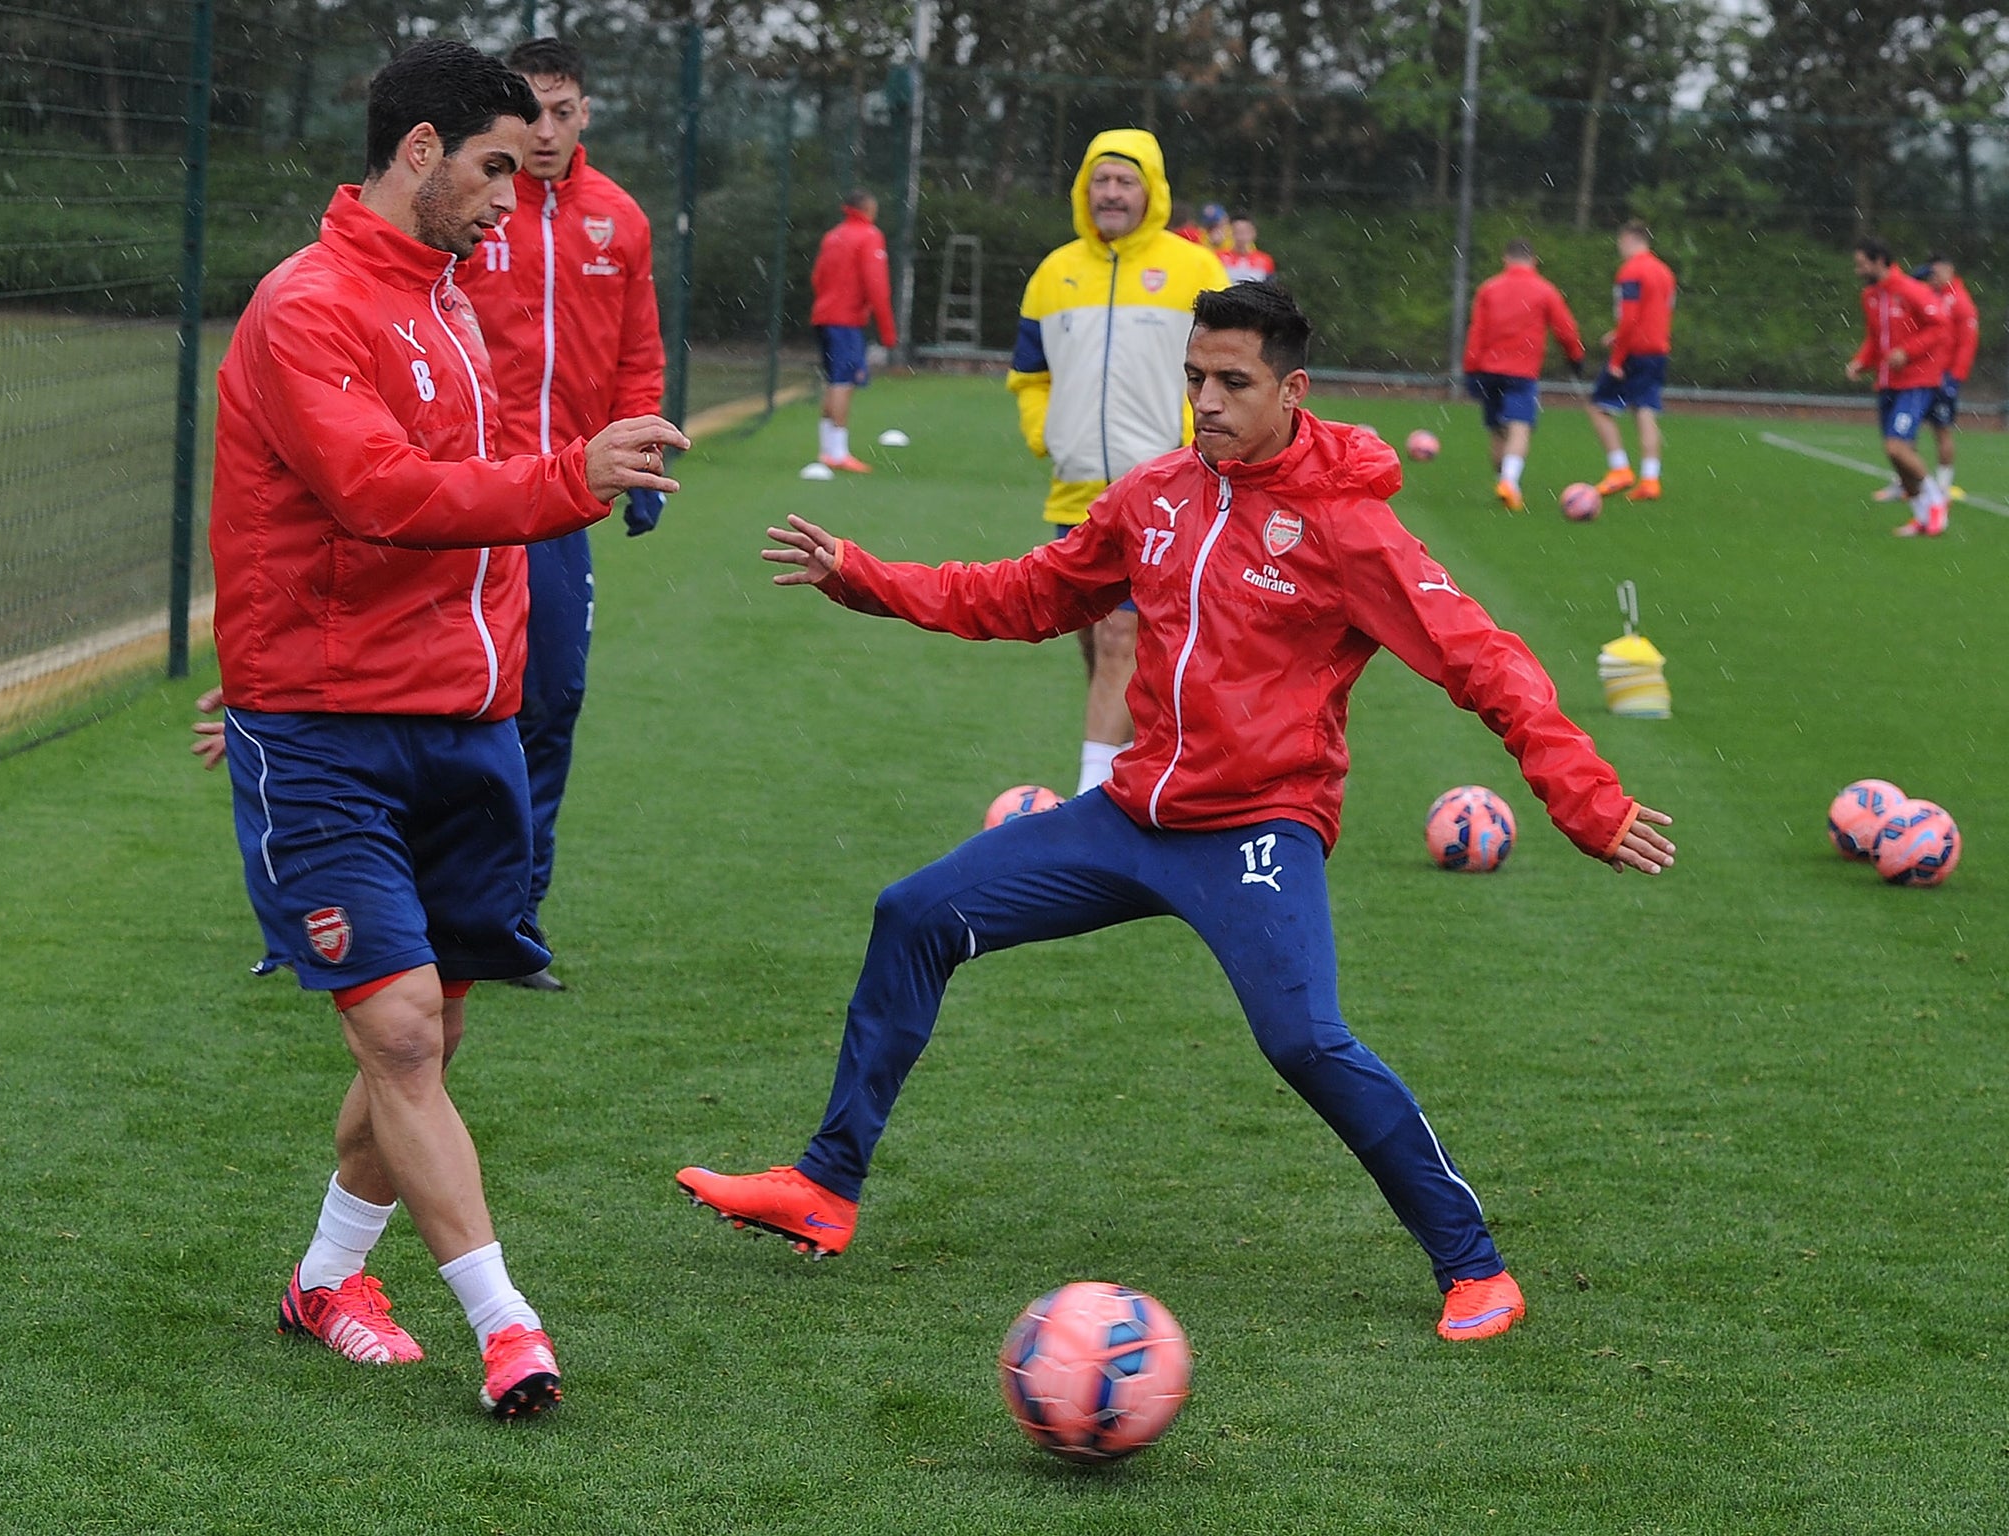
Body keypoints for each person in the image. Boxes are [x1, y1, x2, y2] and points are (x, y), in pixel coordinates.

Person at [676, 282, 1676, 1343]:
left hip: (1256, 829)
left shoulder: (1349, 530)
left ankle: (1472, 1266)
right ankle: (824, 1186)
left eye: (1230, 381)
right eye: (1194, 376)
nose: (1203, 400)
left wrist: (1585, 798)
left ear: (1291, 391)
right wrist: (864, 577)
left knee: (1302, 1040)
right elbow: (1024, 594)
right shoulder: (1154, 494)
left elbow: (1485, 662)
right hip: (1127, 815)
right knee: (914, 913)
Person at [192, 40, 685, 1416]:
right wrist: (569, 478)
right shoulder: (306, 308)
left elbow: (408, 515)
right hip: (335, 730)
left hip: (467, 725)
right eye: (491, 174)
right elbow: (379, 494)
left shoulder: (449, 300)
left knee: (429, 1037)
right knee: (401, 1031)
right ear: (420, 148)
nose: (507, 210)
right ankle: (507, 1325)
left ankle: (326, 1278)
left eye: (526, 184)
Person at [455, 36, 667, 993]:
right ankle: (372, 901)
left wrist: (641, 453)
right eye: (529, 111)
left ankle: (512, 918)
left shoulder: (618, 220)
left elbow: (637, 351)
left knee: (549, 702)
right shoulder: (466, 203)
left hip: (560, 502)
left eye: (563, 112)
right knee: (443, 696)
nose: (545, 133)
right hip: (459, 493)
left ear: (587, 112)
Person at [1006, 129, 1228, 796]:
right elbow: (1028, 373)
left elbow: (1231, 368)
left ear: (1151, 191)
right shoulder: (1053, 273)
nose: (1111, 193)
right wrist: (1047, 432)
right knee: (1097, 640)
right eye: (1100, 181)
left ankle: (1093, 802)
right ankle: (1141, 757)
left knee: (1119, 635)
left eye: (1124, 181)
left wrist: (1198, 443)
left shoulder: (1194, 272)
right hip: (1074, 495)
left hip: (1166, 493)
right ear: (1084, 190)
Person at [1461, 239, 1586, 511]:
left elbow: (1476, 332)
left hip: (1488, 369)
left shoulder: (1489, 289)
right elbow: (1565, 327)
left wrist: (1470, 368)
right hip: (1521, 371)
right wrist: (1575, 356)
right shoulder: (1544, 290)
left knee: (1496, 429)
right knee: (1519, 425)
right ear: (1534, 261)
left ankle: (1501, 480)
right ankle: (1509, 482)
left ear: (1505, 260)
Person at [1846, 237, 1952, 538]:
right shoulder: (1870, 296)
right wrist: (1860, 362)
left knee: (1897, 446)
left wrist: (1909, 351)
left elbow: (1940, 325)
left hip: (1916, 381)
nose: (1858, 270)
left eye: (1862, 264)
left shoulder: (1910, 290)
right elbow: (1875, 340)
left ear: (1880, 260)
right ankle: (1922, 518)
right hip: (1888, 382)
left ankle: (1936, 499)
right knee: (1894, 453)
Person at [809, 190, 897, 474]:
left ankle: (828, 449)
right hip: (846, 320)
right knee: (843, 382)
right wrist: (887, 332)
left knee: (833, 379)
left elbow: (817, 277)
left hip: (824, 315)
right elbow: (877, 285)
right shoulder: (869, 236)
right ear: (869, 208)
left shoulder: (833, 235)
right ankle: (837, 452)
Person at [1586, 220, 1675, 502]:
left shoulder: (1631, 271)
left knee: (1598, 406)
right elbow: (1658, 313)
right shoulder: (1664, 271)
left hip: (1633, 351)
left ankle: (1619, 469)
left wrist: (1617, 356)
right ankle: (1650, 479)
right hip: (1657, 350)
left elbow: (1631, 316)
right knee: (1645, 410)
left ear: (1628, 239)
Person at [1881, 254, 1978, 504]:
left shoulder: (1961, 302)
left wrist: (1954, 378)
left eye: (1935, 273)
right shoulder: (1930, 295)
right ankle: (1907, 483)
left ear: (1949, 270)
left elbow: (1967, 344)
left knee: (1941, 430)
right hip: (1924, 375)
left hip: (1943, 377)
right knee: (1905, 431)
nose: (1932, 278)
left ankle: (1943, 486)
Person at [1219, 216, 1277, 283]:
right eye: (1236, 232)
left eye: (1245, 232)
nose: (1241, 237)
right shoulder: (1219, 258)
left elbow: (1270, 287)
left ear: (1253, 233)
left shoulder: (1265, 260)